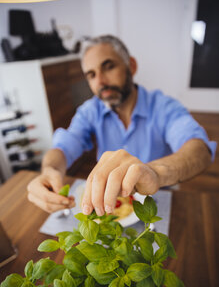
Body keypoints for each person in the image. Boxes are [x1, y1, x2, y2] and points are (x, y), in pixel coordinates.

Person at [27, 35, 216, 216]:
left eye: (108, 67)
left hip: (158, 201)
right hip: (111, 207)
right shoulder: (90, 110)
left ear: (131, 66)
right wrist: (49, 170)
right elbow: (65, 145)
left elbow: (199, 150)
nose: (100, 81)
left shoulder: (164, 107)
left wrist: (154, 173)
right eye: (91, 75)